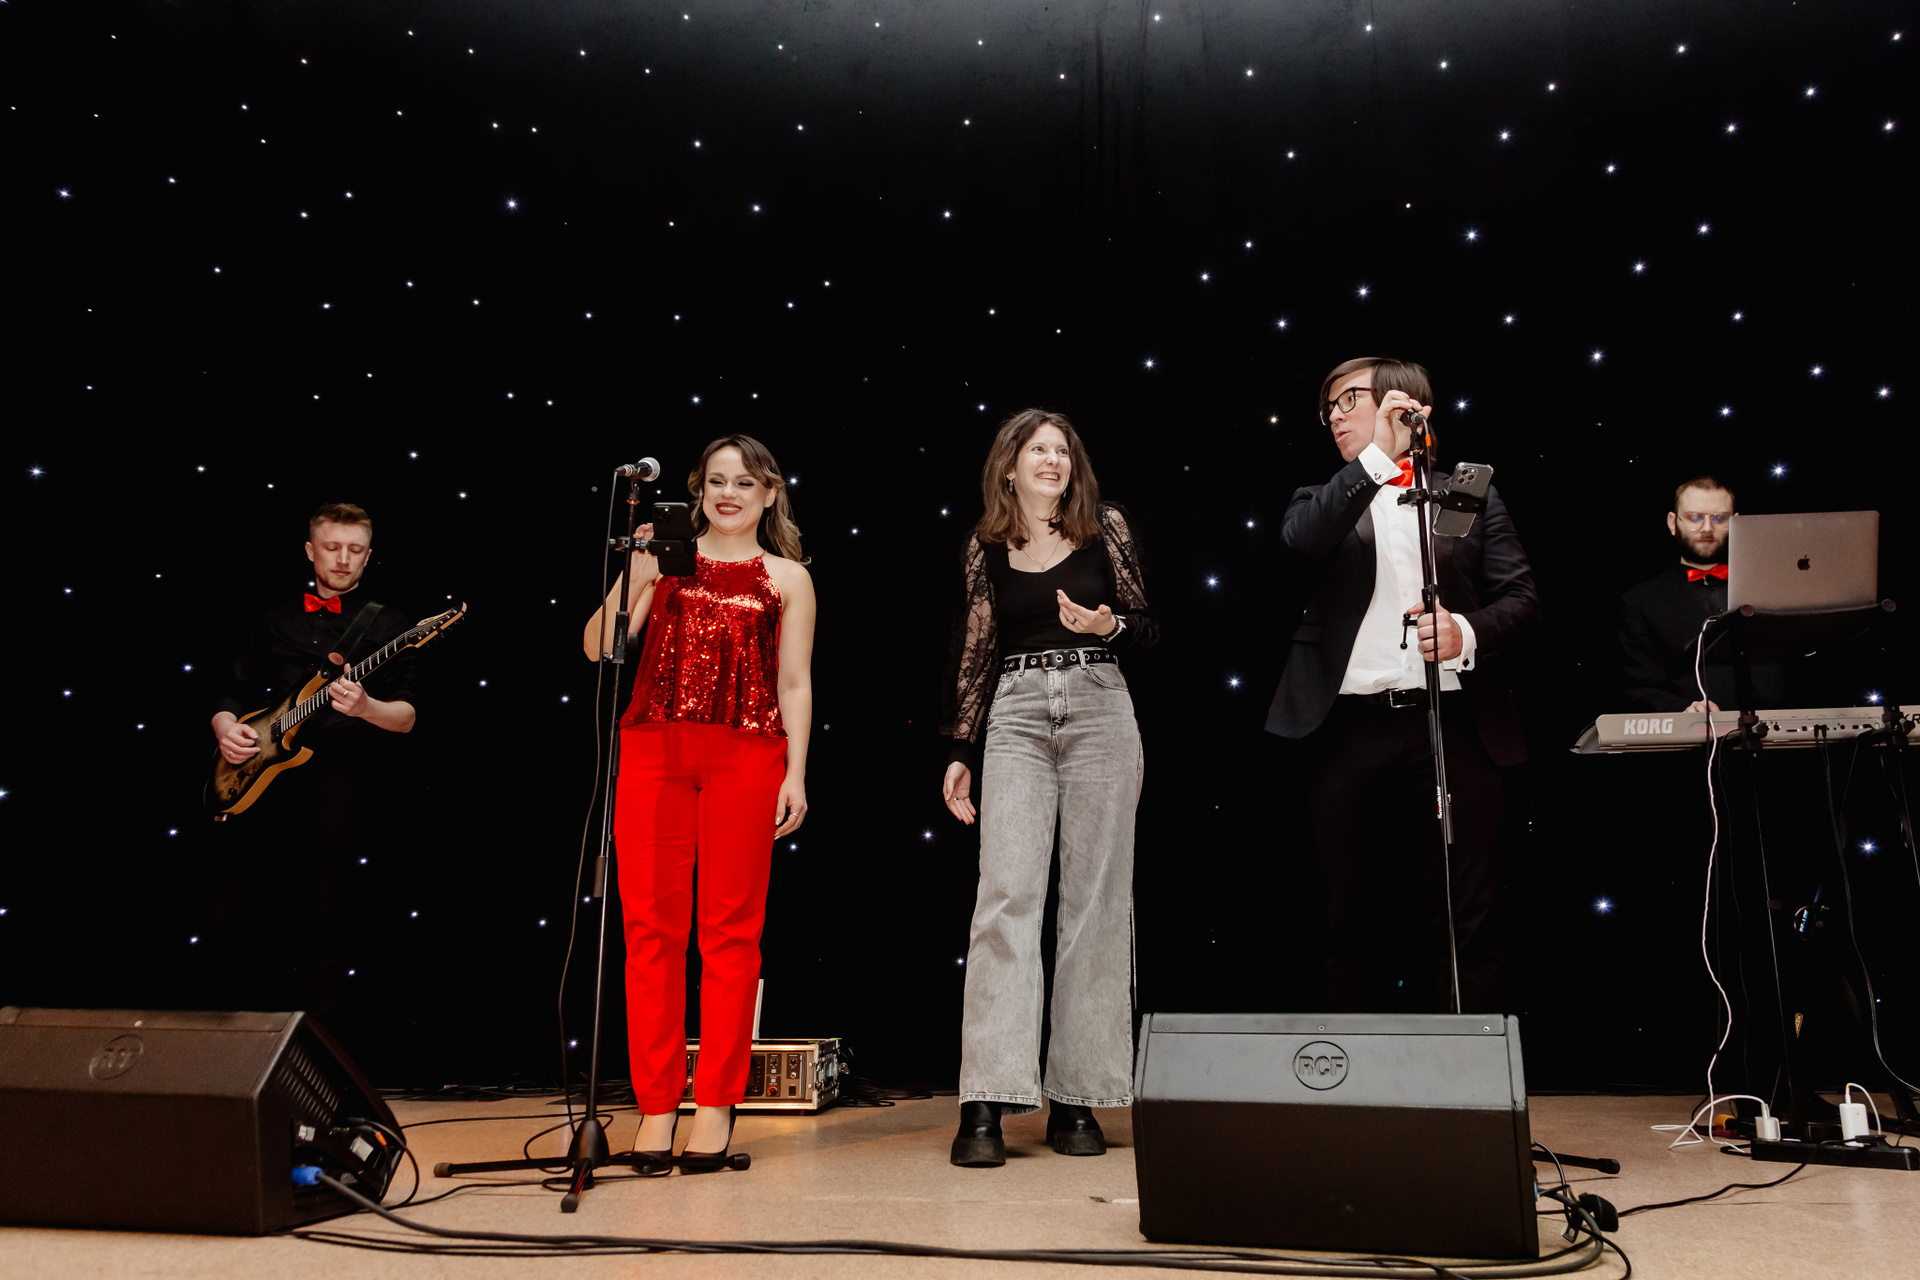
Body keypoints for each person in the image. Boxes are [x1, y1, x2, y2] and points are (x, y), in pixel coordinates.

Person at [1265, 359, 1539, 1014]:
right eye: (1328, 407)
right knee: (1350, 914)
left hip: (1454, 723)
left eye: (1349, 400)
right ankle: (1355, 1069)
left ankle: (1470, 1066)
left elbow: (1522, 599)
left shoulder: (1465, 491)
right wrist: (1376, 460)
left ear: (1404, 404)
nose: (1334, 416)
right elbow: (1303, 542)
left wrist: (1464, 631)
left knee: (1467, 913)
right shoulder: (1318, 497)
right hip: (1350, 729)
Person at [584, 434, 814, 1173]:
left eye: (745, 482)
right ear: (698, 490)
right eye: (716, 481)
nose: (729, 494)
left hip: (747, 754)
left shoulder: (788, 577)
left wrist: (795, 774)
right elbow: (596, 647)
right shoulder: (663, 562)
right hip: (654, 749)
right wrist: (636, 574)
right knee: (650, 930)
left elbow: (795, 682)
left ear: (769, 494)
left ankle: (715, 1104)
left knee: (729, 933)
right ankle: (656, 1105)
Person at [939, 409, 1156, 1168]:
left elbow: (1146, 625)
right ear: (1010, 465)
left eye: (1063, 451)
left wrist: (1106, 628)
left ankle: (1076, 1098)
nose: (1053, 460)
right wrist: (961, 747)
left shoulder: (1106, 527)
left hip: (1100, 705)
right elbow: (975, 650)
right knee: (1006, 897)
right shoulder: (985, 543)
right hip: (1017, 712)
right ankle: (986, 1100)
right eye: (1038, 449)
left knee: (1095, 905)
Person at [206, 502, 419, 1022]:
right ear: (310, 550)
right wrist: (225, 729)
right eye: (332, 547)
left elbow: (409, 717)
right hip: (260, 780)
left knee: (324, 915)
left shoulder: (393, 625)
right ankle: (236, 1043)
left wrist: (366, 707)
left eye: (354, 549)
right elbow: (232, 693)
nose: (343, 559)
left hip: (341, 780)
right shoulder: (274, 620)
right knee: (236, 911)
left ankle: (313, 1051)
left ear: (368, 555)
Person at [1618, 476, 1783, 712]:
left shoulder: (1770, 590)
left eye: (1719, 518)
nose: (1707, 528)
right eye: (1695, 517)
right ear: (1673, 522)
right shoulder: (1641, 601)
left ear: (1736, 523)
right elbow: (1639, 688)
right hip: (1695, 733)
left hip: (1780, 730)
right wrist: (1684, 711)